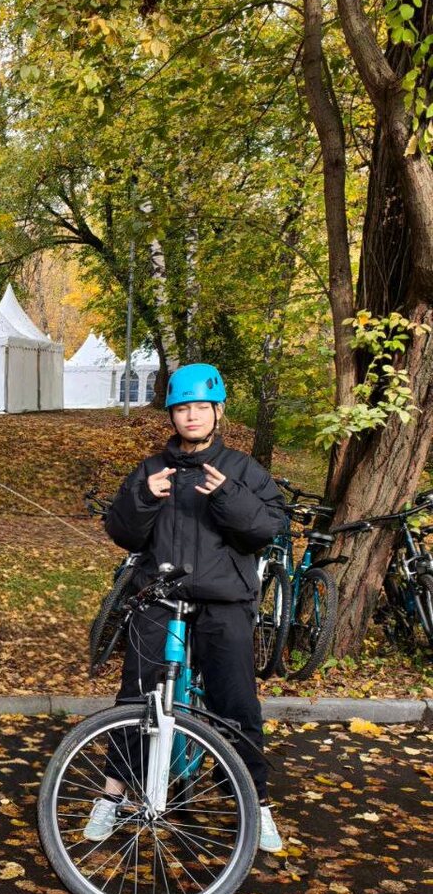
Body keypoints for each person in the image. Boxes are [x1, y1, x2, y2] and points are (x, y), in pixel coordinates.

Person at [92, 362, 288, 852]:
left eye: (202, 407)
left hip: (225, 603)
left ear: (219, 412)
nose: (192, 416)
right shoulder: (150, 470)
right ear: (172, 415)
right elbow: (121, 532)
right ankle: (113, 794)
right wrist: (143, 497)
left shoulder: (242, 469)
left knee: (236, 703)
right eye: (183, 408)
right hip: (160, 599)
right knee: (137, 699)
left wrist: (227, 495)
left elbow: (268, 529)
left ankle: (256, 803)